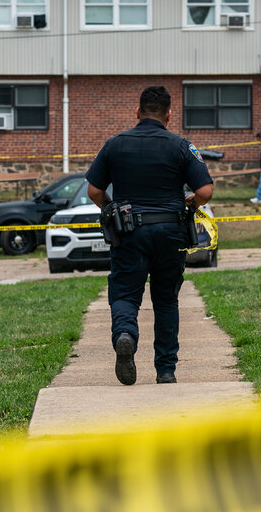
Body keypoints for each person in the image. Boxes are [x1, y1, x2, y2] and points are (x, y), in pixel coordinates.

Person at [86, 85, 214, 386]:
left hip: (128, 231)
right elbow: (205, 191)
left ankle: (125, 335)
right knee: (166, 300)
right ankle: (166, 370)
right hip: (170, 232)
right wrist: (190, 204)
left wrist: (111, 209)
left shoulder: (114, 144)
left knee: (125, 293)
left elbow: (94, 190)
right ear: (169, 114)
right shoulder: (181, 146)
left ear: (137, 111)